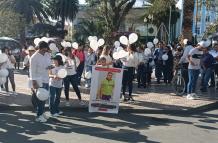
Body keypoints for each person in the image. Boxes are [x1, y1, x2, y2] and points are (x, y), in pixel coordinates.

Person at [29, 41, 51, 122]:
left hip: (46, 79)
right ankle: (39, 116)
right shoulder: (34, 57)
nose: (45, 51)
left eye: (46, 50)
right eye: (43, 50)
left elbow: (47, 65)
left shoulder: (47, 54)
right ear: (39, 48)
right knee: (40, 99)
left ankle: (41, 112)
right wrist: (34, 82)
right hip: (38, 80)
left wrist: (50, 67)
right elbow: (32, 71)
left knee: (44, 97)